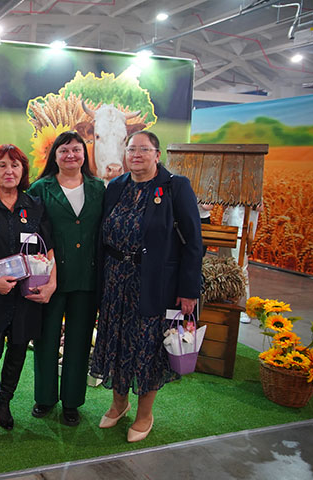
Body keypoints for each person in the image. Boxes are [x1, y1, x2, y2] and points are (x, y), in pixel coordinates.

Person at [90, 130, 202, 443]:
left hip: (154, 284)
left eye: (143, 149)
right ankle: (119, 404)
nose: (136, 155)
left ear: (157, 154)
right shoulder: (116, 186)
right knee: (117, 343)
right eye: (131, 149)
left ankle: (144, 414)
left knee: (147, 348)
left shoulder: (176, 187)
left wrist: (189, 290)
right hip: (115, 281)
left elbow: (194, 242)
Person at [0, 145, 55, 433]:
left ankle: (4, 402)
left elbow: (48, 247)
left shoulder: (34, 204)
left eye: (15, 166)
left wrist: (51, 281)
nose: (9, 171)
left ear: (23, 171)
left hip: (26, 292)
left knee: (18, 347)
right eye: (2, 165)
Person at [27, 131, 105, 426]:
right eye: (64, 150)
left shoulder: (99, 188)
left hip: (87, 277)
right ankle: (45, 398)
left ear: (84, 154)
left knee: (79, 341)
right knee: (46, 339)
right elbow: (32, 233)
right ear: (54, 156)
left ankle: (72, 401)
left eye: (76, 150)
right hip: (50, 278)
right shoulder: (41, 188)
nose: (71, 155)